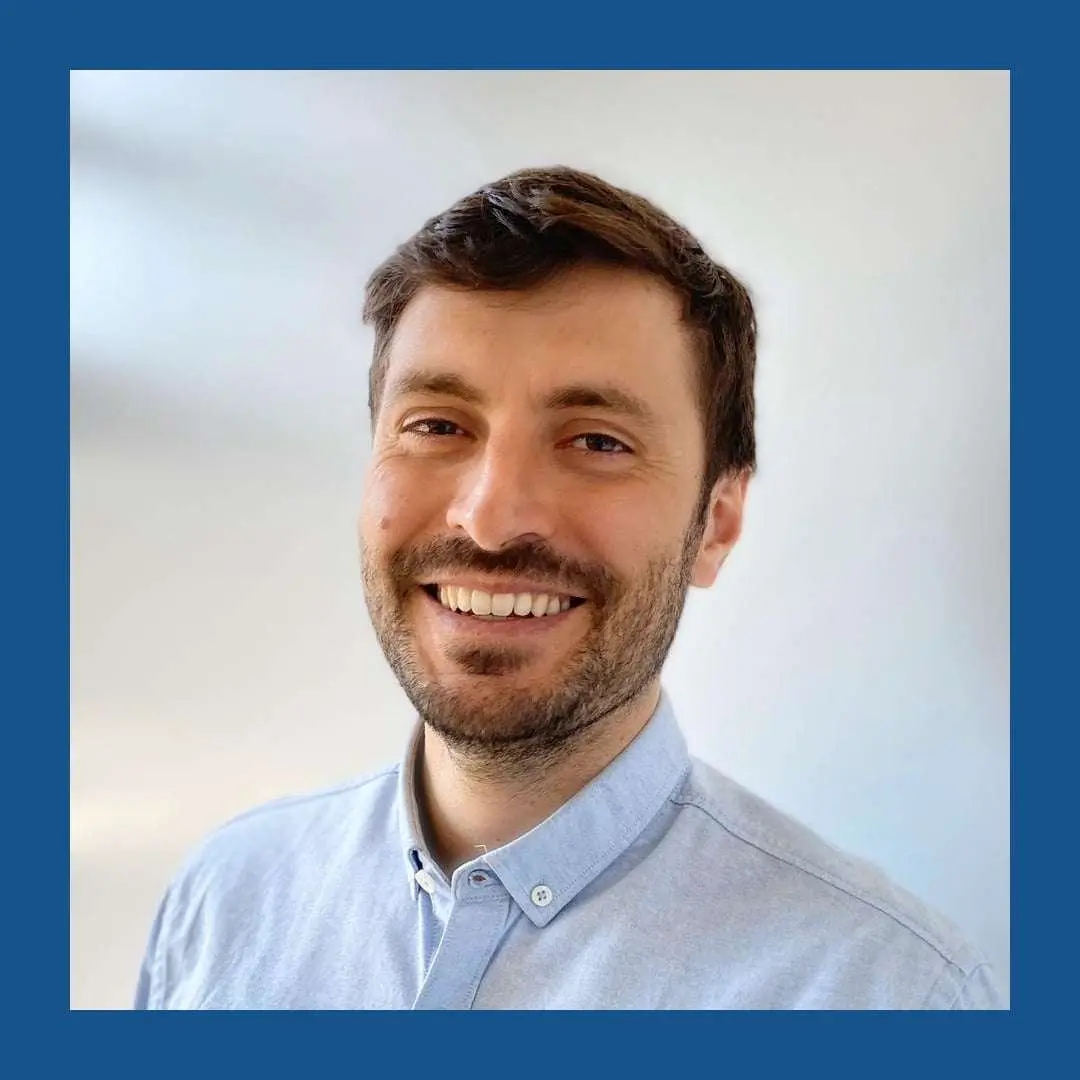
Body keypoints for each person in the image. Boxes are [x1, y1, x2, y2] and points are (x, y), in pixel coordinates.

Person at [134, 166, 1003, 1010]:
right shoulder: (224, 901)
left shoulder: (888, 998)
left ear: (718, 523)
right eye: (435, 426)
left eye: (596, 441)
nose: (490, 517)